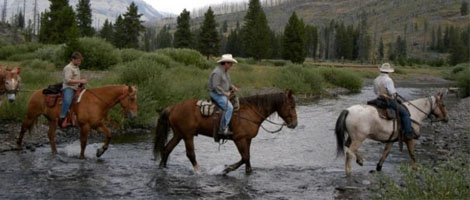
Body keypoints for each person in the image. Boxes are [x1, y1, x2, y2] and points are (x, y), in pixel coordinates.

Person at [373, 63, 413, 139]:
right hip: (388, 100)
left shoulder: (376, 79)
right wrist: (395, 96)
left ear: (381, 70)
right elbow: (392, 93)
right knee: (405, 113)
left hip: (378, 99)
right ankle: (408, 133)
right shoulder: (388, 80)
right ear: (388, 71)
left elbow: (375, 92)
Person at [208, 54, 239, 136]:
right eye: (230, 63)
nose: (231, 65)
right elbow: (215, 86)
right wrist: (225, 93)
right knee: (229, 107)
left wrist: (233, 87)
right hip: (216, 94)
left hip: (222, 93)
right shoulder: (217, 72)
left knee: (236, 102)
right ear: (225, 63)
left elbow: (228, 83)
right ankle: (223, 128)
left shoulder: (225, 72)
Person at [58, 52, 87, 128]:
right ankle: (62, 116)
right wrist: (80, 81)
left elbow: (75, 78)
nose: (79, 62)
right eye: (78, 60)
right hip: (69, 87)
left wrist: (81, 80)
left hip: (76, 87)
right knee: (67, 101)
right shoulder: (68, 68)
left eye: (80, 60)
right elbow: (68, 80)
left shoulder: (76, 67)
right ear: (73, 59)